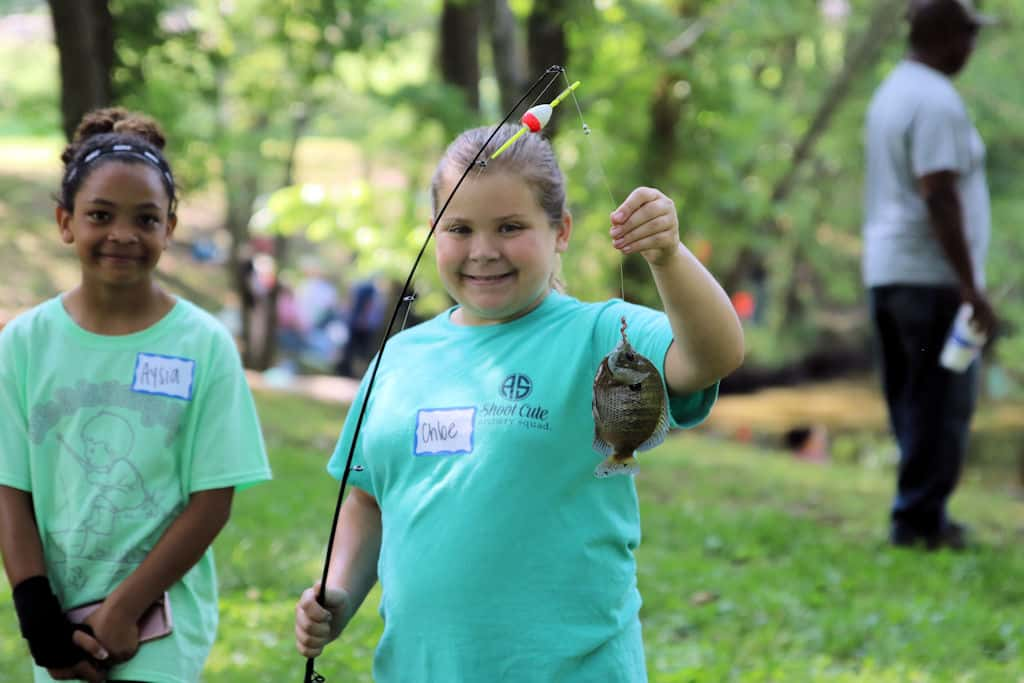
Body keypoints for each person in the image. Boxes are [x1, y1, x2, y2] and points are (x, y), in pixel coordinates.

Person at [294, 123, 744, 681]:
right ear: (434, 231)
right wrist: (338, 591)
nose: (484, 251)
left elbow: (712, 355)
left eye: (510, 227)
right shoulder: (400, 358)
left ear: (561, 231)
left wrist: (668, 256)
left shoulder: (602, 334)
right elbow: (367, 498)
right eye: (459, 228)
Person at [0, 108, 272, 682]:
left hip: (159, 626)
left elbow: (212, 500)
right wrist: (39, 620)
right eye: (100, 215)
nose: (122, 234)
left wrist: (123, 610)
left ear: (169, 229)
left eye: (145, 219)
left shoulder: (205, 345)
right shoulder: (24, 343)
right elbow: (10, 490)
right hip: (59, 625)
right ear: (65, 220)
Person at [862, 0, 998, 550]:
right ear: (943, 35)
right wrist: (970, 286)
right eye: (968, 33)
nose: (972, 46)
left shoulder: (893, 91)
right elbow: (938, 190)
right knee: (942, 400)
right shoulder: (936, 100)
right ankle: (920, 522)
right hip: (929, 277)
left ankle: (916, 514)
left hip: (889, 272)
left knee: (913, 398)